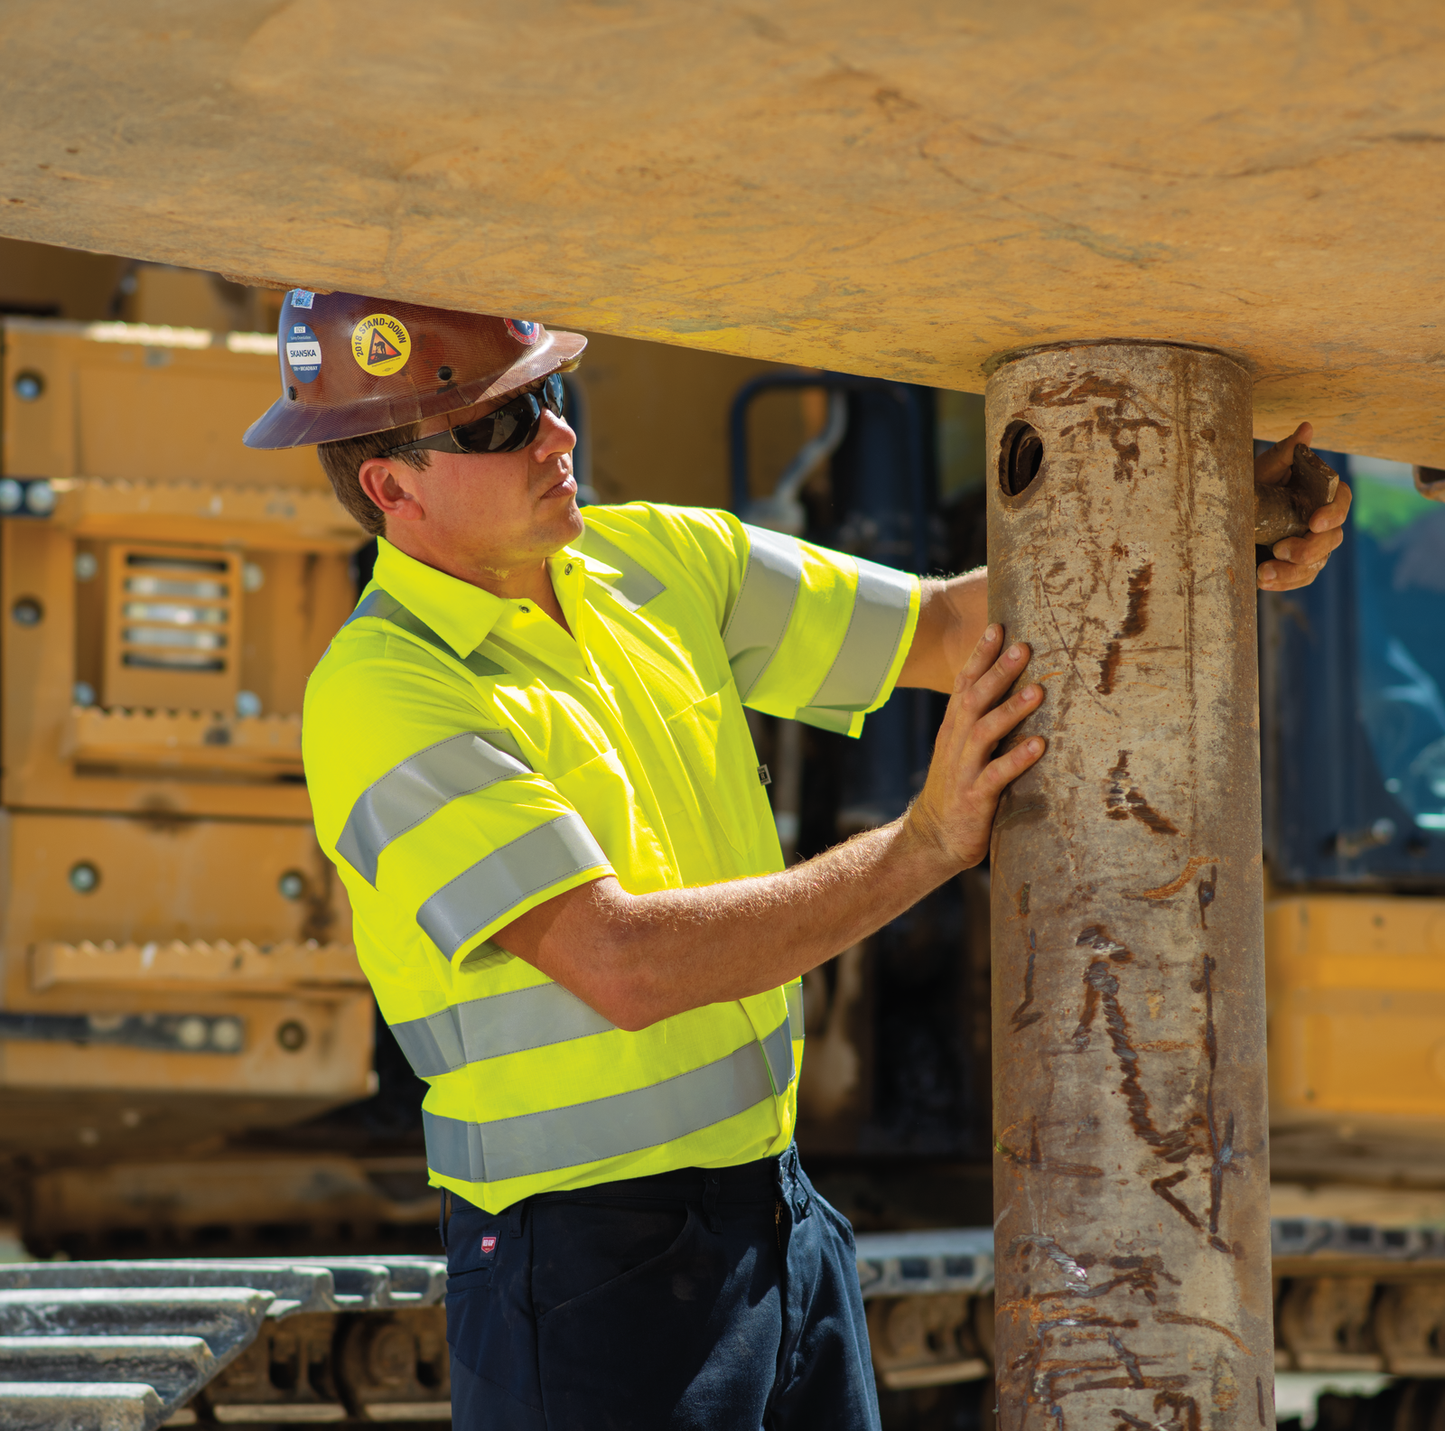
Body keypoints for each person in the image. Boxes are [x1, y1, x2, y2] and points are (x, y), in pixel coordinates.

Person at [245, 291, 1350, 1430]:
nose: (555, 436)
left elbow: (949, 625)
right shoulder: (384, 694)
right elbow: (621, 964)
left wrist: (1195, 519)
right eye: (496, 425)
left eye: (546, 397)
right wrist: (923, 842)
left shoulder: (657, 563)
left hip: (773, 1213)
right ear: (391, 487)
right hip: (578, 1268)